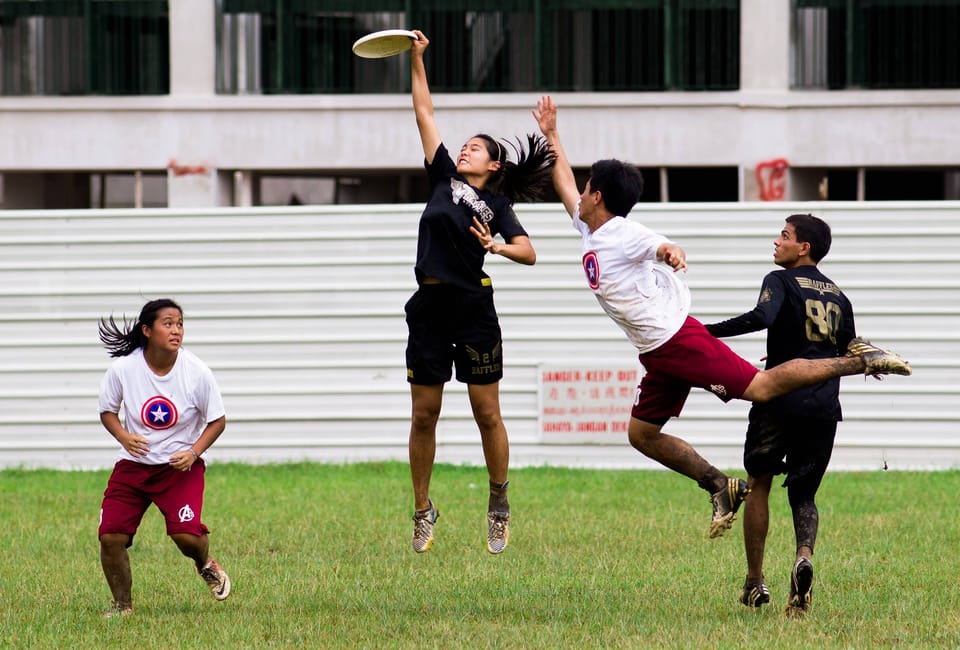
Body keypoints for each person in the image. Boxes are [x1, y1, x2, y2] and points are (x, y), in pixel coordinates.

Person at [532, 95, 911, 540]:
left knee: (762, 386)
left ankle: (860, 359)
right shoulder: (589, 224)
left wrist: (671, 252)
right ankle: (720, 485)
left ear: (597, 196)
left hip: (677, 341)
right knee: (641, 434)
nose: (578, 192)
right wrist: (552, 134)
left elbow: (659, 244)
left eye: (586, 186)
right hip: (657, 350)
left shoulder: (624, 232)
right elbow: (562, 183)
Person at [405, 31, 555, 555]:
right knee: (424, 414)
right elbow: (424, 112)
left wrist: (496, 246)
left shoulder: (499, 207)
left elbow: (530, 252)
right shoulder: (443, 178)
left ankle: (498, 503)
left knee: (486, 413)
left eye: (476, 148)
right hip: (428, 307)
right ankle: (423, 509)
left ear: (493, 165)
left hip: (473, 309)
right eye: (464, 144)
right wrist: (417, 59)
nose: (464, 148)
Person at [704, 214, 854, 616]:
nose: (777, 242)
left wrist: (704, 333)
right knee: (804, 495)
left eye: (784, 236)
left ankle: (755, 581)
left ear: (803, 247)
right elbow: (846, 350)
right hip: (824, 405)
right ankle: (803, 555)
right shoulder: (839, 295)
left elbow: (761, 318)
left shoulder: (779, 280)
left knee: (759, 484)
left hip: (780, 399)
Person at [97, 298, 231, 617]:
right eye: (168, 324)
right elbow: (107, 411)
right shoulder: (123, 369)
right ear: (147, 330)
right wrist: (124, 437)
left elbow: (218, 420)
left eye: (180, 324)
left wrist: (194, 452)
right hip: (133, 467)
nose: (176, 330)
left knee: (185, 536)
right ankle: (122, 606)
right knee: (111, 536)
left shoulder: (197, 372)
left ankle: (206, 564)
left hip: (178, 468)